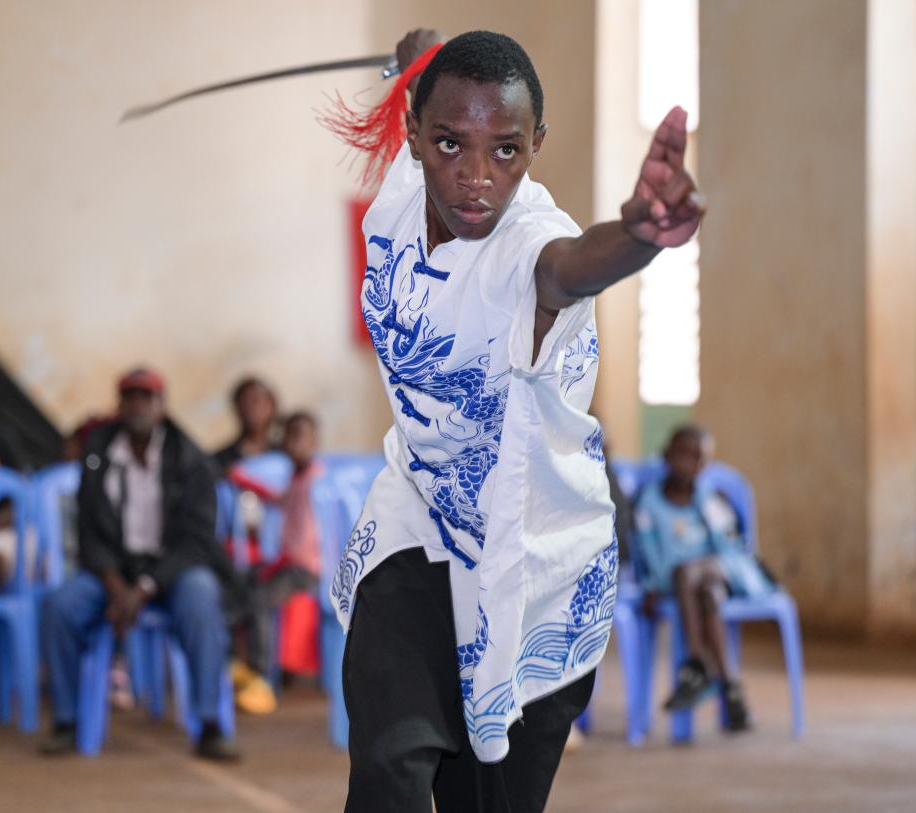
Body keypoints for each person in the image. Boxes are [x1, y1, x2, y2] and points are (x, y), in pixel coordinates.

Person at [328, 29, 703, 813]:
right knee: (390, 764)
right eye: (449, 144)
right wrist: (418, 58)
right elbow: (425, 85)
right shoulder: (401, 190)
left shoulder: (524, 243)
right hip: (420, 522)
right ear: (413, 135)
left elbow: (567, 267)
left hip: (534, 561)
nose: (475, 177)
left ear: (535, 144)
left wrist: (637, 239)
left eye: (504, 151)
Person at [40, 368, 240, 760]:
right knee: (60, 607)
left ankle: (209, 723)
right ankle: (66, 720)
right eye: (129, 398)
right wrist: (116, 585)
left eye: (146, 398)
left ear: (162, 406)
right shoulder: (97, 455)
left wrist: (145, 588)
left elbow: (197, 541)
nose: (137, 407)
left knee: (202, 597)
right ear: (118, 406)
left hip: (173, 572)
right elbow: (88, 532)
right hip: (112, 572)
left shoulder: (190, 458)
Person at [632, 424, 775, 733]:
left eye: (701, 459)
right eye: (686, 455)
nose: (693, 465)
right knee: (706, 591)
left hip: (723, 572)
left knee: (695, 574)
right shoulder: (649, 504)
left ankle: (696, 666)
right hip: (684, 583)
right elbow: (647, 553)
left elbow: (732, 550)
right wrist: (651, 587)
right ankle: (732, 691)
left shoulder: (709, 500)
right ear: (667, 455)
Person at [229, 411, 322, 714]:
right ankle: (235, 660)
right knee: (243, 580)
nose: (291, 444)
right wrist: (243, 481)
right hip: (289, 563)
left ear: (313, 442)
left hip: (306, 569)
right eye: (287, 437)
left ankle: (259, 674)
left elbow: (309, 542)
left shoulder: (317, 481)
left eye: (299, 437)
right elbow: (278, 501)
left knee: (260, 599)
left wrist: (280, 562)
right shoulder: (296, 479)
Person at [212, 376, 280, 473]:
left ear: (272, 406)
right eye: (244, 402)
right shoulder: (220, 462)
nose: (251, 408)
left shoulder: (286, 455)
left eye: (256, 401)